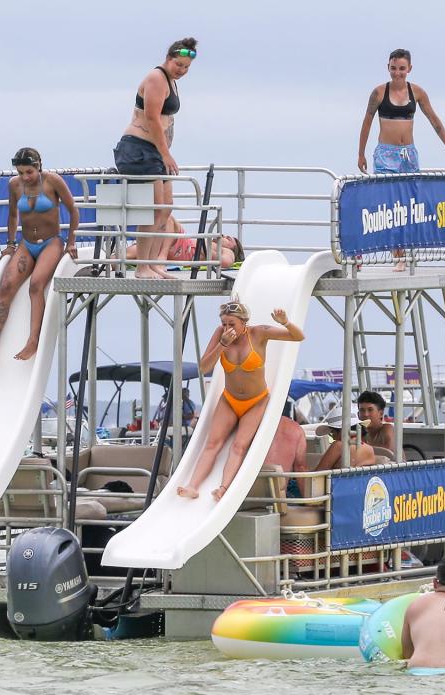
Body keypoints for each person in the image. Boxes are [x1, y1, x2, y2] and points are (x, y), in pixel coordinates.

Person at [177, 297, 303, 500]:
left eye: (232, 324)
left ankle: (223, 488)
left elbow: (298, 337)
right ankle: (192, 486)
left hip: (256, 401)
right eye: (224, 324)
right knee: (212, 444)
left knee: (238, 446)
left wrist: (285, 322)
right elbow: (204, 368)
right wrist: (221, 345)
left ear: (244, 323)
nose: (227, 328)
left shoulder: (259, 333)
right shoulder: (221, 335)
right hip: (229, 399)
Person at [357, 48, 445, 271]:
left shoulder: (418, 93)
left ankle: (405, 251)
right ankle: (394, 255)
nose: (397, 73)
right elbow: (367, 123)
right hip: (386, 154)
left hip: (408, 154)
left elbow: (434, 119)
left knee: (408, 204)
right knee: (388, 204)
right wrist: (361, 153)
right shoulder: (379, 93)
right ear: (388, 68)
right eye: (393, 68)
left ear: (409, 69)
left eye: (402, 69)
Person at [0, 147, 79, 362]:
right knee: (6, 286)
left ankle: (33, 340)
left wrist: (71, 242)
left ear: (38, 167)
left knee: (36, 285)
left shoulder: (52, 181)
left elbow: (73, 210)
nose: (25, 177)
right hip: (27, 245)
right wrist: (10, 244)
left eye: (29, 172)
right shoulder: (15, 186)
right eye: (21, 172)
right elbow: (13, 215)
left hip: (51, 242)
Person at [114, 37, 197, 279]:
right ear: (168, 58)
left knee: (164, 208)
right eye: (178, 65)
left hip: (155, 153)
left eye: (186, 68)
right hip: (139, 149)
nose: (181, 71)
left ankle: (151, 263)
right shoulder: (156, 78)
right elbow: (151, 118)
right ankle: (142, 266)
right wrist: (166, 154)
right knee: (151, 210)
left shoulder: (170, 80)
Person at [125, 215, 244, 269]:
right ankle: (115, 260)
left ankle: (162, 256)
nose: (223, 236)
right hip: (180, 244)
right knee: (142, 248)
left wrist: (203, 248)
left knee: (169, 219)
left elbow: (225, 263)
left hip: (184, 250)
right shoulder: (211, 243)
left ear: (234, 247)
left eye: (228, 238)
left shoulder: (227, 251)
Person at [314, 405, 377, 471]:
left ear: (341, 430)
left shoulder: (339, 445)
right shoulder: (370, 449)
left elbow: (319, 471)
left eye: (332, 432)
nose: (333, 436)